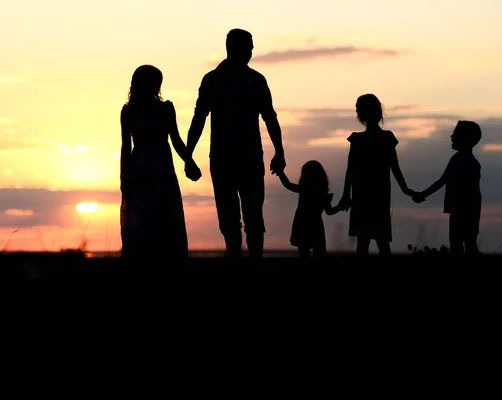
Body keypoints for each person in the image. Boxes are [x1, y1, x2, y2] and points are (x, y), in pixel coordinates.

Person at [185, 28, 286, 258]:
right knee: (230, 218)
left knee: (252, 217)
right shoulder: (212, 80)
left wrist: (279, 151)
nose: (251, 51)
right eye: (247, 47)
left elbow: (270, 117)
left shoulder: (256, 80)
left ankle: (253, 261)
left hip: (249, 157)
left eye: (251, 47)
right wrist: (188, 155)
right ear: (232, 47)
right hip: (223, 158)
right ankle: (235, 259)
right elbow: (199, 117)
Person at [119, 65, 201, 260]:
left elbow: (176, 139)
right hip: (140, 171)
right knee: (141, 219)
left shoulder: (165, 109)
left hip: (163, 171)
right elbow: (125, 147)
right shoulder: (128, 112)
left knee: (165, 218)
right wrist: (124, 178)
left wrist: (189, 161)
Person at [337, 94, 417, 256]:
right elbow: (394, 168)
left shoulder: (365, 139)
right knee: (379, 241)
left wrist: (346, 195)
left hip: (367, 195)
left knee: (366, 241)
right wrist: (406, 189)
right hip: (374, 195)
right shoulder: (380, 138)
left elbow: (351, 170)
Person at [412, 121, 482, 255]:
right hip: (461, 210)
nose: (451, 137)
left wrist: (422, 195)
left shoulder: (465, 162)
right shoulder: (458, 159)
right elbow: (443, 180)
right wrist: (422, 195)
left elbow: (443, 181)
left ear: (464, 138)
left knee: (463, 244)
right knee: (462, 243)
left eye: (455, 134)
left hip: (465, 210)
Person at [277, 161, 341, 258]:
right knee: (318, 253)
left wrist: (281, 173)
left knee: (304, 253)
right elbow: (329, 211)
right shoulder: (322, 193)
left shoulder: (304, 189)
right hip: (315, 224)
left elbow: (288, 184)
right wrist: (340, 207)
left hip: (302, 222)